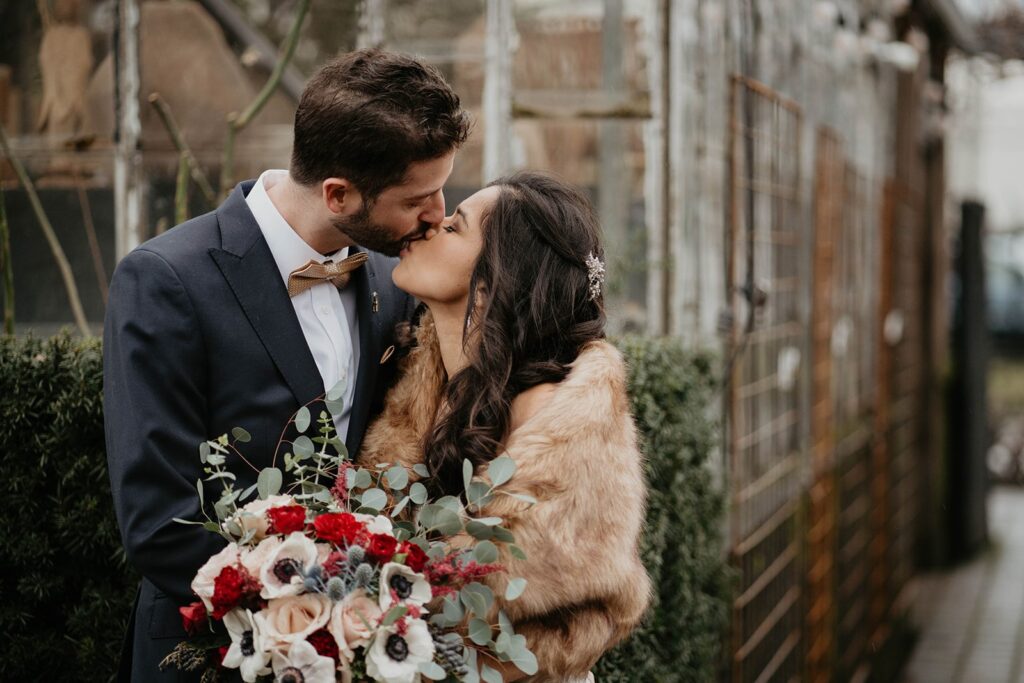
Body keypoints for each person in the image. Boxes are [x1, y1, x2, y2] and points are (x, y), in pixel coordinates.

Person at [103, 49, 470, 681]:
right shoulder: (165, 280)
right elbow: (159, 522)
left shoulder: (394, 275)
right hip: (210, 652)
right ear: (338, 193)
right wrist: (319, 618)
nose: (438, 214)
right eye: (420, 197)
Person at [358, 172, 652, 681]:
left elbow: (552, 609)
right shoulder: (426, 382)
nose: (430, 225)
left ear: (497, 277)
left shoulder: (546, 414)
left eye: (454, 227)